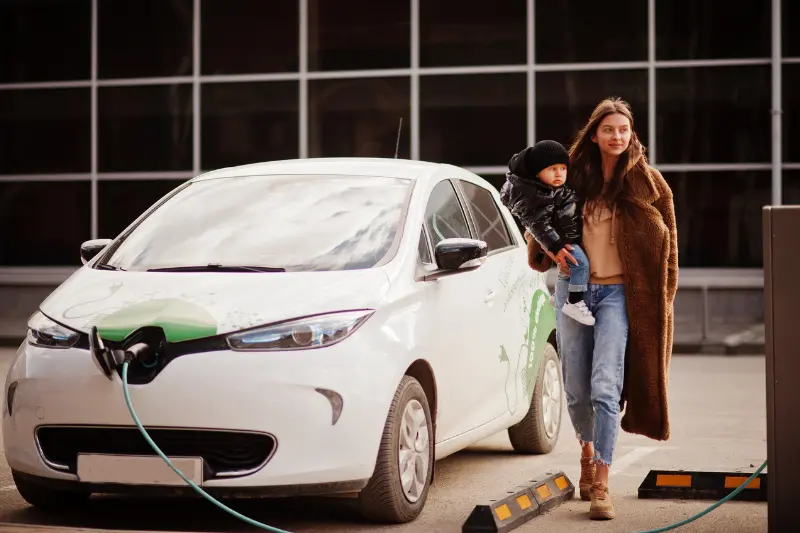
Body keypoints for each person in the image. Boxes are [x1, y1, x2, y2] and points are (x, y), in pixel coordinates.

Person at [548, 97, 679, 521]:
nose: (617, 136)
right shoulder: (570, 181)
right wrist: (551, 252)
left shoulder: (650, 185)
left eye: (623, 129)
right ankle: (585, 454)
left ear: (631, 133)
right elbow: (541, 226)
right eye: (609, 129)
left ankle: (602, 480)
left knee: (606, 386)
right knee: (576, 388)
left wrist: (663, 301)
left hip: (621, 296)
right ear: (595, 133)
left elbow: (670, 251)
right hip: (574, 291)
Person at [500, 140, 595, 326]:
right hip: (561, 242)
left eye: (563, 168)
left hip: (565, 239)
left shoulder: (551, 190)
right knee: (581, 265)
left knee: (571, 269)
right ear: (537, 173)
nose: (559, 173)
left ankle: (559, 296)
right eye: (552, 169)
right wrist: (556, 245)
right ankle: (573, 301)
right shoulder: (536, 196)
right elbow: (539, 225)